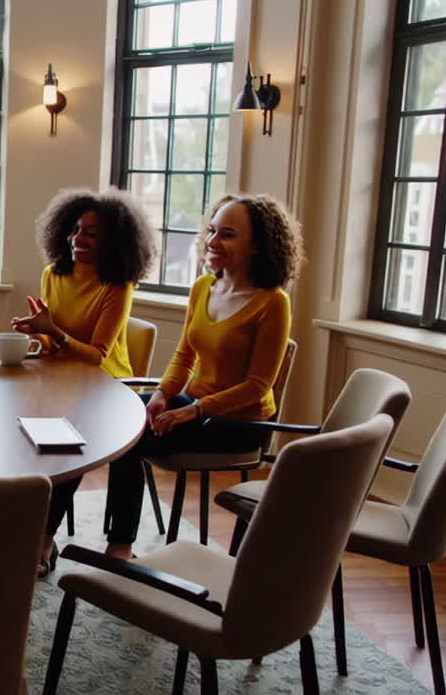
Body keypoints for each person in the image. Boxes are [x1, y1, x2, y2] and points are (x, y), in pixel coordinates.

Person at [104, 194, 304, 560]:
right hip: (195, 406)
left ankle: (120, 546)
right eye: (212, 231)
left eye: (227, 234)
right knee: (124, 418)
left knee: (134, 437)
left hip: (240, 422)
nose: (212, 241)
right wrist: (163, 395)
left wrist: (192, 410)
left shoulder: (273, 302)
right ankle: (93, 539)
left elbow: (258, 386)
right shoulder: (203, 287)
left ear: (257, 245)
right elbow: (184, 355)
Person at [10, 189, 156, 577]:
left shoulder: (117, 285)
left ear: (113, 241)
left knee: (71, 445)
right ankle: (37, 531)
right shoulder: (53, 274)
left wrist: (52, 332)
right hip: (62, 382)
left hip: (111, 387)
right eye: (75, 230)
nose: (79, 239)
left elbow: (97, 355)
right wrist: (36, 334)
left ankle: (115, 544)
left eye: (91, 233)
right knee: (36, 435)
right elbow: (51, 341)